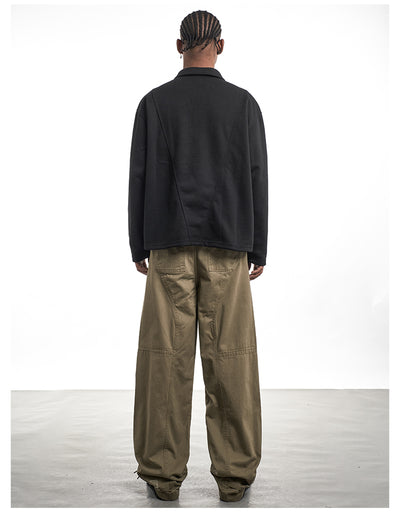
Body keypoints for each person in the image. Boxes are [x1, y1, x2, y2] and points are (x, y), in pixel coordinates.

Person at [128, 9, 268, 503]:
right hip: (229, 246)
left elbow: (138, 176)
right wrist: (259, 244)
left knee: (164, 361)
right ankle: (234, 476)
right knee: (231, 358)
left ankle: (162, 475)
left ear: (178, 45)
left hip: (167, 244)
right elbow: (257, 174)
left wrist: (138, 244)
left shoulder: (154, 103)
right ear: (221, 46)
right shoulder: (243, 104)